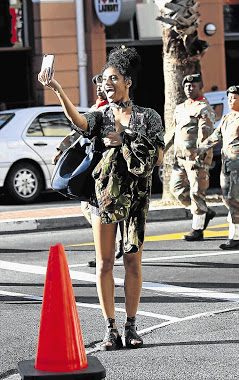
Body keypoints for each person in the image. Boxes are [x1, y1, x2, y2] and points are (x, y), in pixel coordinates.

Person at [38, 46, 164, 350]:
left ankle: (131, 327)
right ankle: (110, 329)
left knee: (133, 263)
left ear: (127, 81)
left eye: (113, 78)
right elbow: (79, 122)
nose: (106, 84)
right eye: (102, 80)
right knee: (105, 263)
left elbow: (158, 157)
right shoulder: (101, 116)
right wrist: (56, 88)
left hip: (135, 201)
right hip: (103, 199)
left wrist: (126, 138)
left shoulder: (148, 117)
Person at [53, 74, 109, 268]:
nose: (98, 88)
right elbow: (78, 128)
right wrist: (62, 148)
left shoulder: (113, 110)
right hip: (91, 164)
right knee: (88, 208)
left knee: (101, 210)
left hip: (106, 167)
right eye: (97, 85)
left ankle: (109, 247)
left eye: (102, 84)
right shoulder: (96, 108)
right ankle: (106, 247)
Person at [190, 85, 239, 250]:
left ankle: (235, 238)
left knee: (234, 199)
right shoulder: (227, 118)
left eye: (234, 98)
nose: (231, 101)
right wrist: (199, 150)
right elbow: (215, 137)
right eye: (229, 98)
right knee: (228, 199)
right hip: (227, 165)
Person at [164, 74, 216, 241]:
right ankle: (202, 211)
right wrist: (161, 151)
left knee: (197, 192)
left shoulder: (204, 108)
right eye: (186, 86)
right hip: (180, 157)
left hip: (196, 158)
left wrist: (199, 156)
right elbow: (172, 132)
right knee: (176, 188)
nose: (189, 88)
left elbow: (206, 136)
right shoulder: (180, 107)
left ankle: (197, 228)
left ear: (201, 87)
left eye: (193, 86)